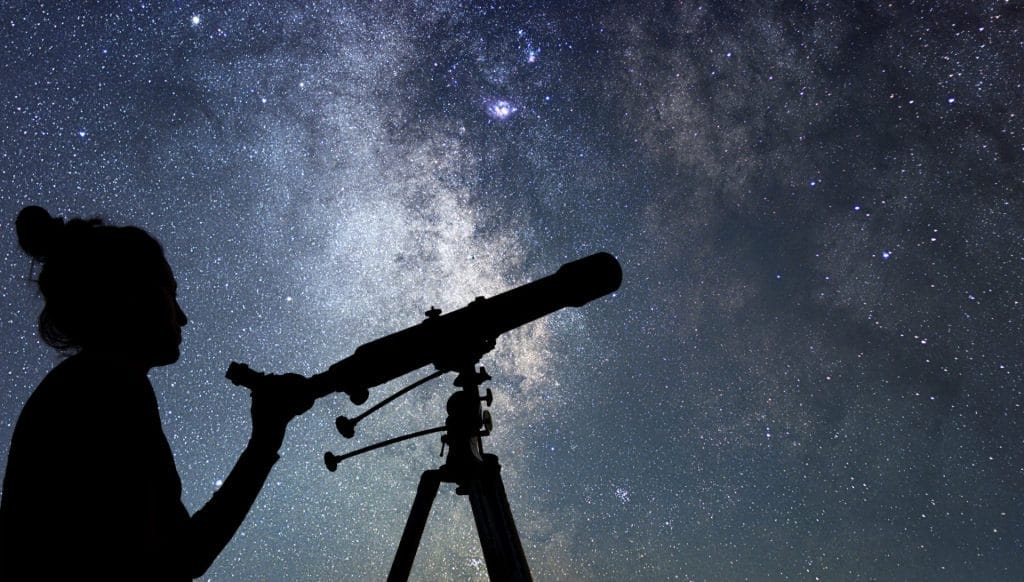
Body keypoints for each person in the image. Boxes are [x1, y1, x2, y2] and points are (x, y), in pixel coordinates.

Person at [0, 206, 315, 579]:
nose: (182, 317)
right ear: (131, 295)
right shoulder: (109, 389)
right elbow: (179, 559)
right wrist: (264, 442)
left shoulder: (89, 384)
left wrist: (265, 439)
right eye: (171, 293)